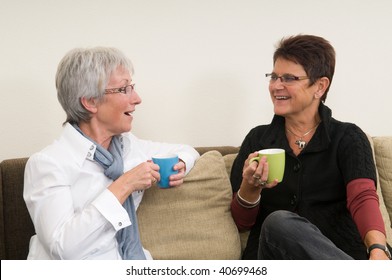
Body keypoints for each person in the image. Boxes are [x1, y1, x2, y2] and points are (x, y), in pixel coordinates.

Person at [23, 47, 200, 260]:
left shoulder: (127, 147)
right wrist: (124, 185)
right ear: (90, 101)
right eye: (124, 89)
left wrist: (181, 162)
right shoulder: (47, 164)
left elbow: (187, 150)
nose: (137, 98)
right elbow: (63, 249)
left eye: (132, 87)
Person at [230, 34, 391, 260]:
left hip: (338, 253)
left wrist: (378, 249)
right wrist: (250, 186)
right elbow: (242, 222)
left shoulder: (347, 137)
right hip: (273, 259)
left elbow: (362, 197)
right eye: (274, 76)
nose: (276, 86)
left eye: (289, 78)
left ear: (320, 86)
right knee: (278, 222)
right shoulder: (258, 140)